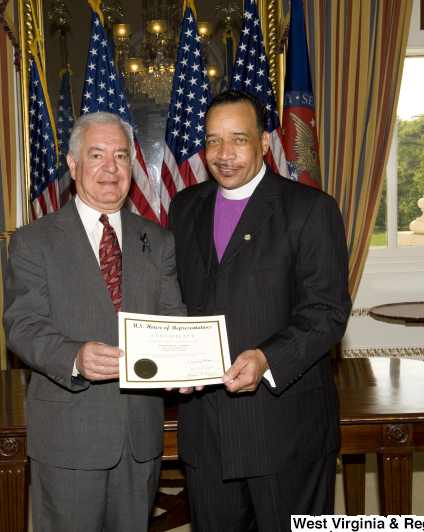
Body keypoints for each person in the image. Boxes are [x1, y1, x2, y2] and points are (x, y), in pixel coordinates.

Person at [168, 89, 352, 531]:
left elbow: (327, 312)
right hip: (205, 431)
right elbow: (175, 299)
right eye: (213, 140)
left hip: (284, 428)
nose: (224, 154)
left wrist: (266, 358)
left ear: (265, 142)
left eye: (238, 139)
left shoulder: (311, 209)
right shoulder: (184, 207)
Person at [3, 111, 187, 532]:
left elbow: (173, 318)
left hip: (139, 434)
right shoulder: (34, 241)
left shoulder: (158, 241)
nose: (111, 168)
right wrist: (75, 357)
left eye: (121, 156)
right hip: (70, 431)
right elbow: (23, 326)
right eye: (97, 154)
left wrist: (189, 361)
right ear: (72, 164)